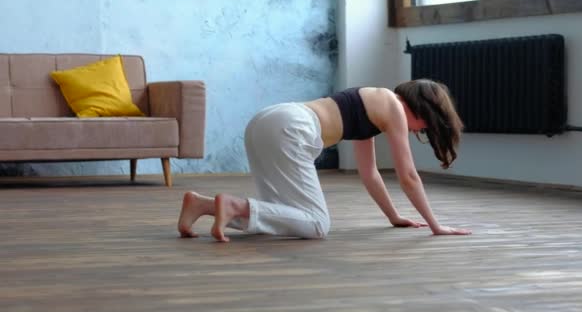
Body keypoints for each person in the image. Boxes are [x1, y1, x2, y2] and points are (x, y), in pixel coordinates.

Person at [178, 79, 472, 242]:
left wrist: (393, 217)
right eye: (424, 126)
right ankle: (232, 205)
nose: (417, 131)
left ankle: (202, 205)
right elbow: (408, 175)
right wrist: (436, 226)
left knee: (282, 215)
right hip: (291, 127)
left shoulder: (374, 105)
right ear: (422, 109)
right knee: (317, 224)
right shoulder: (393, 105)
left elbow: (369, 174)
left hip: (267, 121)